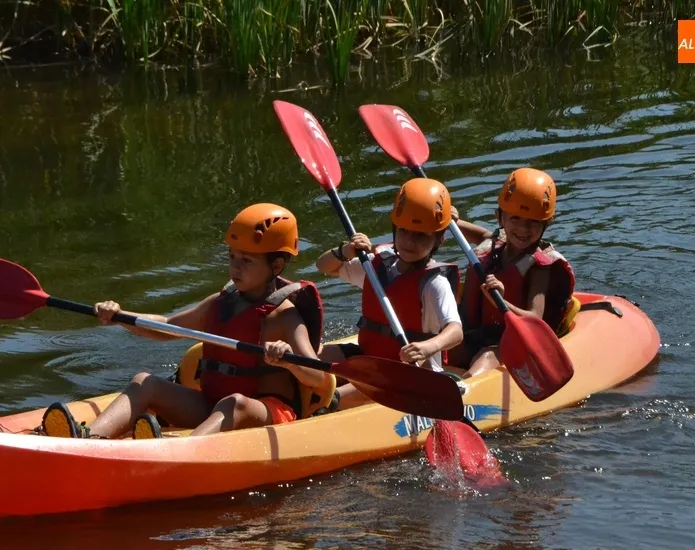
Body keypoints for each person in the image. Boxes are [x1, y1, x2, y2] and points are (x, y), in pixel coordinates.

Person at [38, 203, 336, 439]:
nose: (235, 267)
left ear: (277, 265)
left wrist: (288, 360)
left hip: (264, 412)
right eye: (232, 257)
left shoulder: (285, 315)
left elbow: (318, 377)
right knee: (144, 382)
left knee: (235, 402)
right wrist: (121, 317)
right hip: (213, 404)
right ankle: (90, 440)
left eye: (247, 260)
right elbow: (167, 327)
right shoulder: (221, 303)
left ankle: (182, 451)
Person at [314, 178, 464, 409]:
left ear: (439, 239)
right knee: (310, 358)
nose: (410, 241)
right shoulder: (378, 267)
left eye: (421, 235)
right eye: (404, 231)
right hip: (370, 356)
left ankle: (321, 407)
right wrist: (348, 249)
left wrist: (428, 347)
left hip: (410, 372)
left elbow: (456, 332)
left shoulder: (435, 283)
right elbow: (324, 266)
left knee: (328, 398)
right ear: (395, 229)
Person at [450, 167, 576, 379]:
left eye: (533, 221)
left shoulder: (539, 269)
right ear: (500, 218)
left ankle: (465, 390)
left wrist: (501, 301)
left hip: (513, 343)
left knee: (486, 356)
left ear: (547, 223)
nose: (523, 229)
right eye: (515, 218)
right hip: (477, 334)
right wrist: (452, 220)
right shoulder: (496, 243)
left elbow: (535, 319)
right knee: (444, 347)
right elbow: (480, 235)